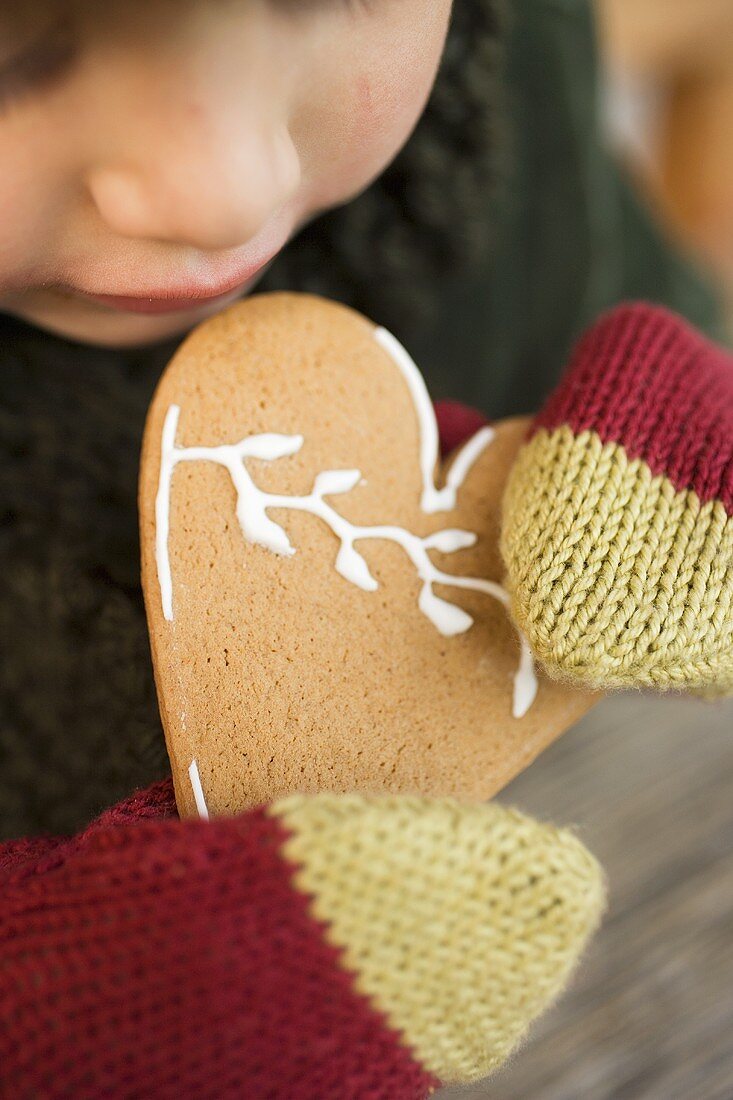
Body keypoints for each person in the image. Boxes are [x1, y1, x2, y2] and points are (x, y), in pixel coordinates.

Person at [0, 1, 725, 1096]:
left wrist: (681, 442)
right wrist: (46, 1005)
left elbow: (635, 310)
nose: (225, 183)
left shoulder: (499, 107)